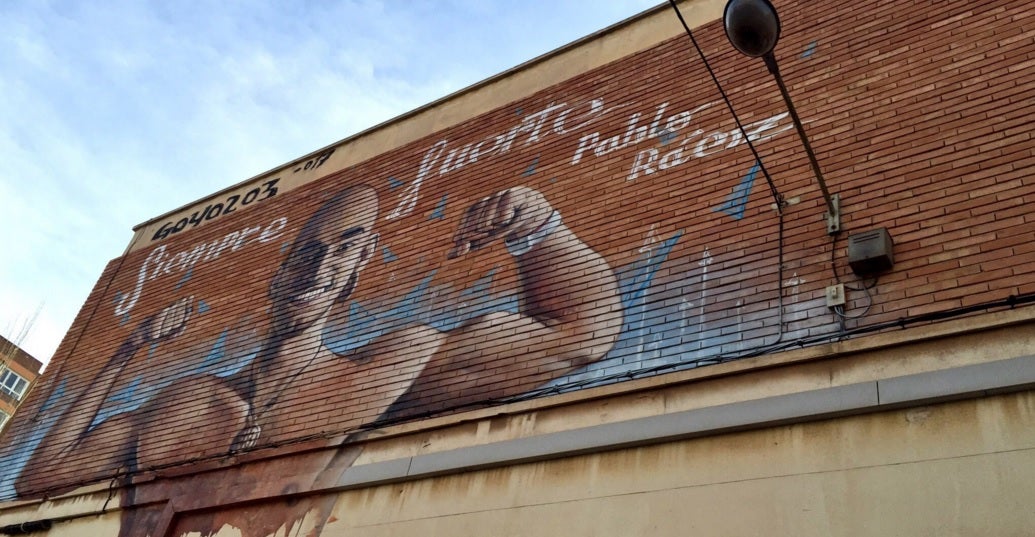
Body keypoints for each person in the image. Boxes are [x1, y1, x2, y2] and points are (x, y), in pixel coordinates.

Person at [15, 184, 624, 519]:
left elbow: (580, 335)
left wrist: (537, 228)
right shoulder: (185, 399)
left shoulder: (383, 370)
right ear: (279, 276)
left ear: (355, 276)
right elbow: (42, 476)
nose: (318, 270)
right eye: (307, 254)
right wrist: (125, 352)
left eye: (342, 253)